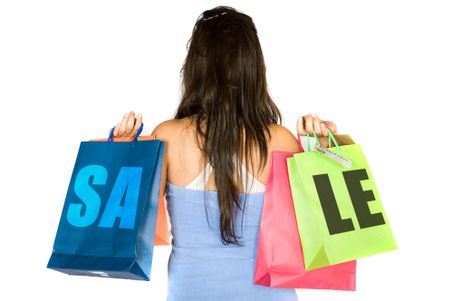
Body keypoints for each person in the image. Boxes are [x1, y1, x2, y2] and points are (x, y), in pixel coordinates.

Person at [111, 6, 337, 301]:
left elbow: (125, 225)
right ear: (254, 68)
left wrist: (124, 154)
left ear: (195, 67)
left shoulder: (168, 137)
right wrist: (325, 151)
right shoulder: (279, 141)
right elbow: (326, 231)